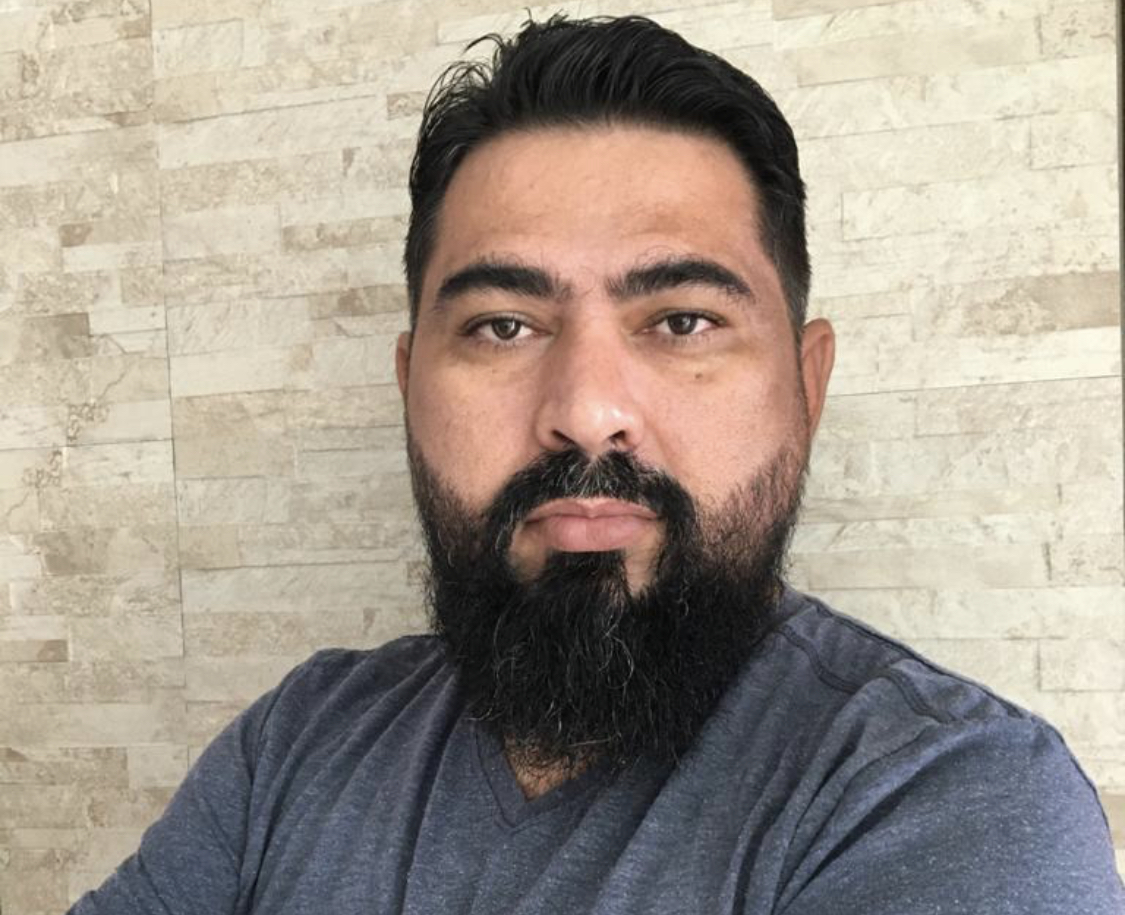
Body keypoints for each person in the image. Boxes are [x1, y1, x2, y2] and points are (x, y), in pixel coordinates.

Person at [69, 14, 1123, 915]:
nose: (585, 414)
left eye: (682, 319)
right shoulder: (299, 742)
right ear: (408, 385)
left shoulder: (948, 798)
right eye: (501, 326)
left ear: (805, 387)